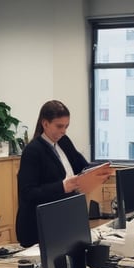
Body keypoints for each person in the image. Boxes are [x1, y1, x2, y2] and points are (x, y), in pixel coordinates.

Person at [15, 100, 111, 247]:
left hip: (64, 218)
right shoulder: (33, 151)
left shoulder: (63, 142)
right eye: (59, 126)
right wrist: (62, 187)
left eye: (66, 126)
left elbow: (83, 167)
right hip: (40, 225)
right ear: (45, 124)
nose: (63, 131)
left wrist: (99, 171)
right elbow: (28, 192)